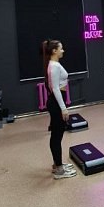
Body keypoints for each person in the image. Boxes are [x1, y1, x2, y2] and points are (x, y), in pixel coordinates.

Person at [42, 39, 77, 180]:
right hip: (56, 102)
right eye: (61, 48)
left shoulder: (53, 64)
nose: (63, 51)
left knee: (57, 135)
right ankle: (59, 170)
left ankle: (58, 164)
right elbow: (55, 88)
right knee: (56, 136)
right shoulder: (54, 66)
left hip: (56, 101)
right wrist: (63, 109)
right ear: (54, 51)